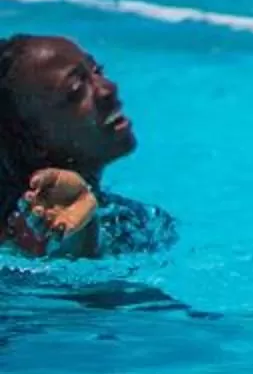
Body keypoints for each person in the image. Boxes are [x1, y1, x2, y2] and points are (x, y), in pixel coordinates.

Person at [2, 35, 172, 259]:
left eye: (97, 71)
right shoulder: (27, 233)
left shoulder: (128, 218)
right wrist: (78, 236)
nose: (108, 89)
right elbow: (58, 274)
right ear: (34, 141)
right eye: (75, 91)